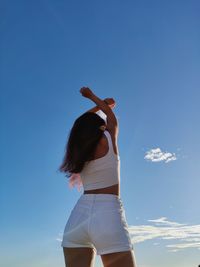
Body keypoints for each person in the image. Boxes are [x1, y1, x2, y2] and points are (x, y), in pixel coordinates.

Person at [59, 87, 137, 267]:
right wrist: (94, 98)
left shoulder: (80, 151)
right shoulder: (108, 139)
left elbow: (79, 123)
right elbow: (110, 115)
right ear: (99, 126)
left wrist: (96, 105)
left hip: (78, 217)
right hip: (107, 213)